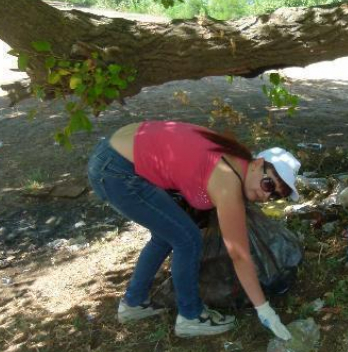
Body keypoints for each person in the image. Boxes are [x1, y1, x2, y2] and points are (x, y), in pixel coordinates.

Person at [87, 120, 297, 339]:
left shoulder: (233, 158)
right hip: (117, 171)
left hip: (112, 155)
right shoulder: (228, 181)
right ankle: (191, 316)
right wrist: (265, 310)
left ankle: (134, 302)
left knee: (167, 235)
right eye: (268, 185)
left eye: (275, 196)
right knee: (187, 240)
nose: (266, 196)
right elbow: (239, 255)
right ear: (257, 163)